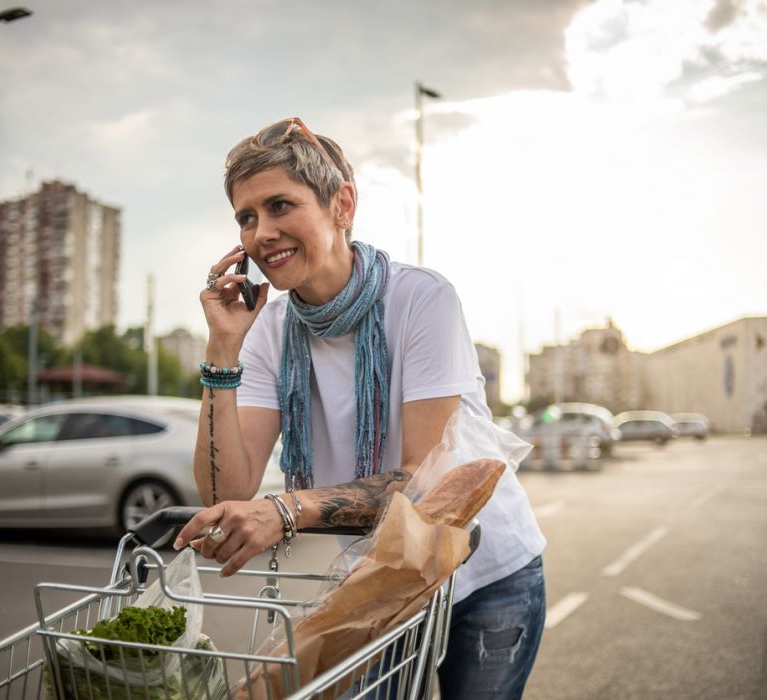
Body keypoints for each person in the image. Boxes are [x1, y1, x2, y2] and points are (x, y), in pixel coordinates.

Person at [173, 117, 547, 698]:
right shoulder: (267, 329)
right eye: (246, 217)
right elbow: (230, 491)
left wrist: (287, 509)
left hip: (485, 573)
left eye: (279, 206)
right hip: (379, 577)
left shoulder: (421, 300)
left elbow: (423, 485)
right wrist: (224, 347)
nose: (261, 233)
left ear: (341, 203)